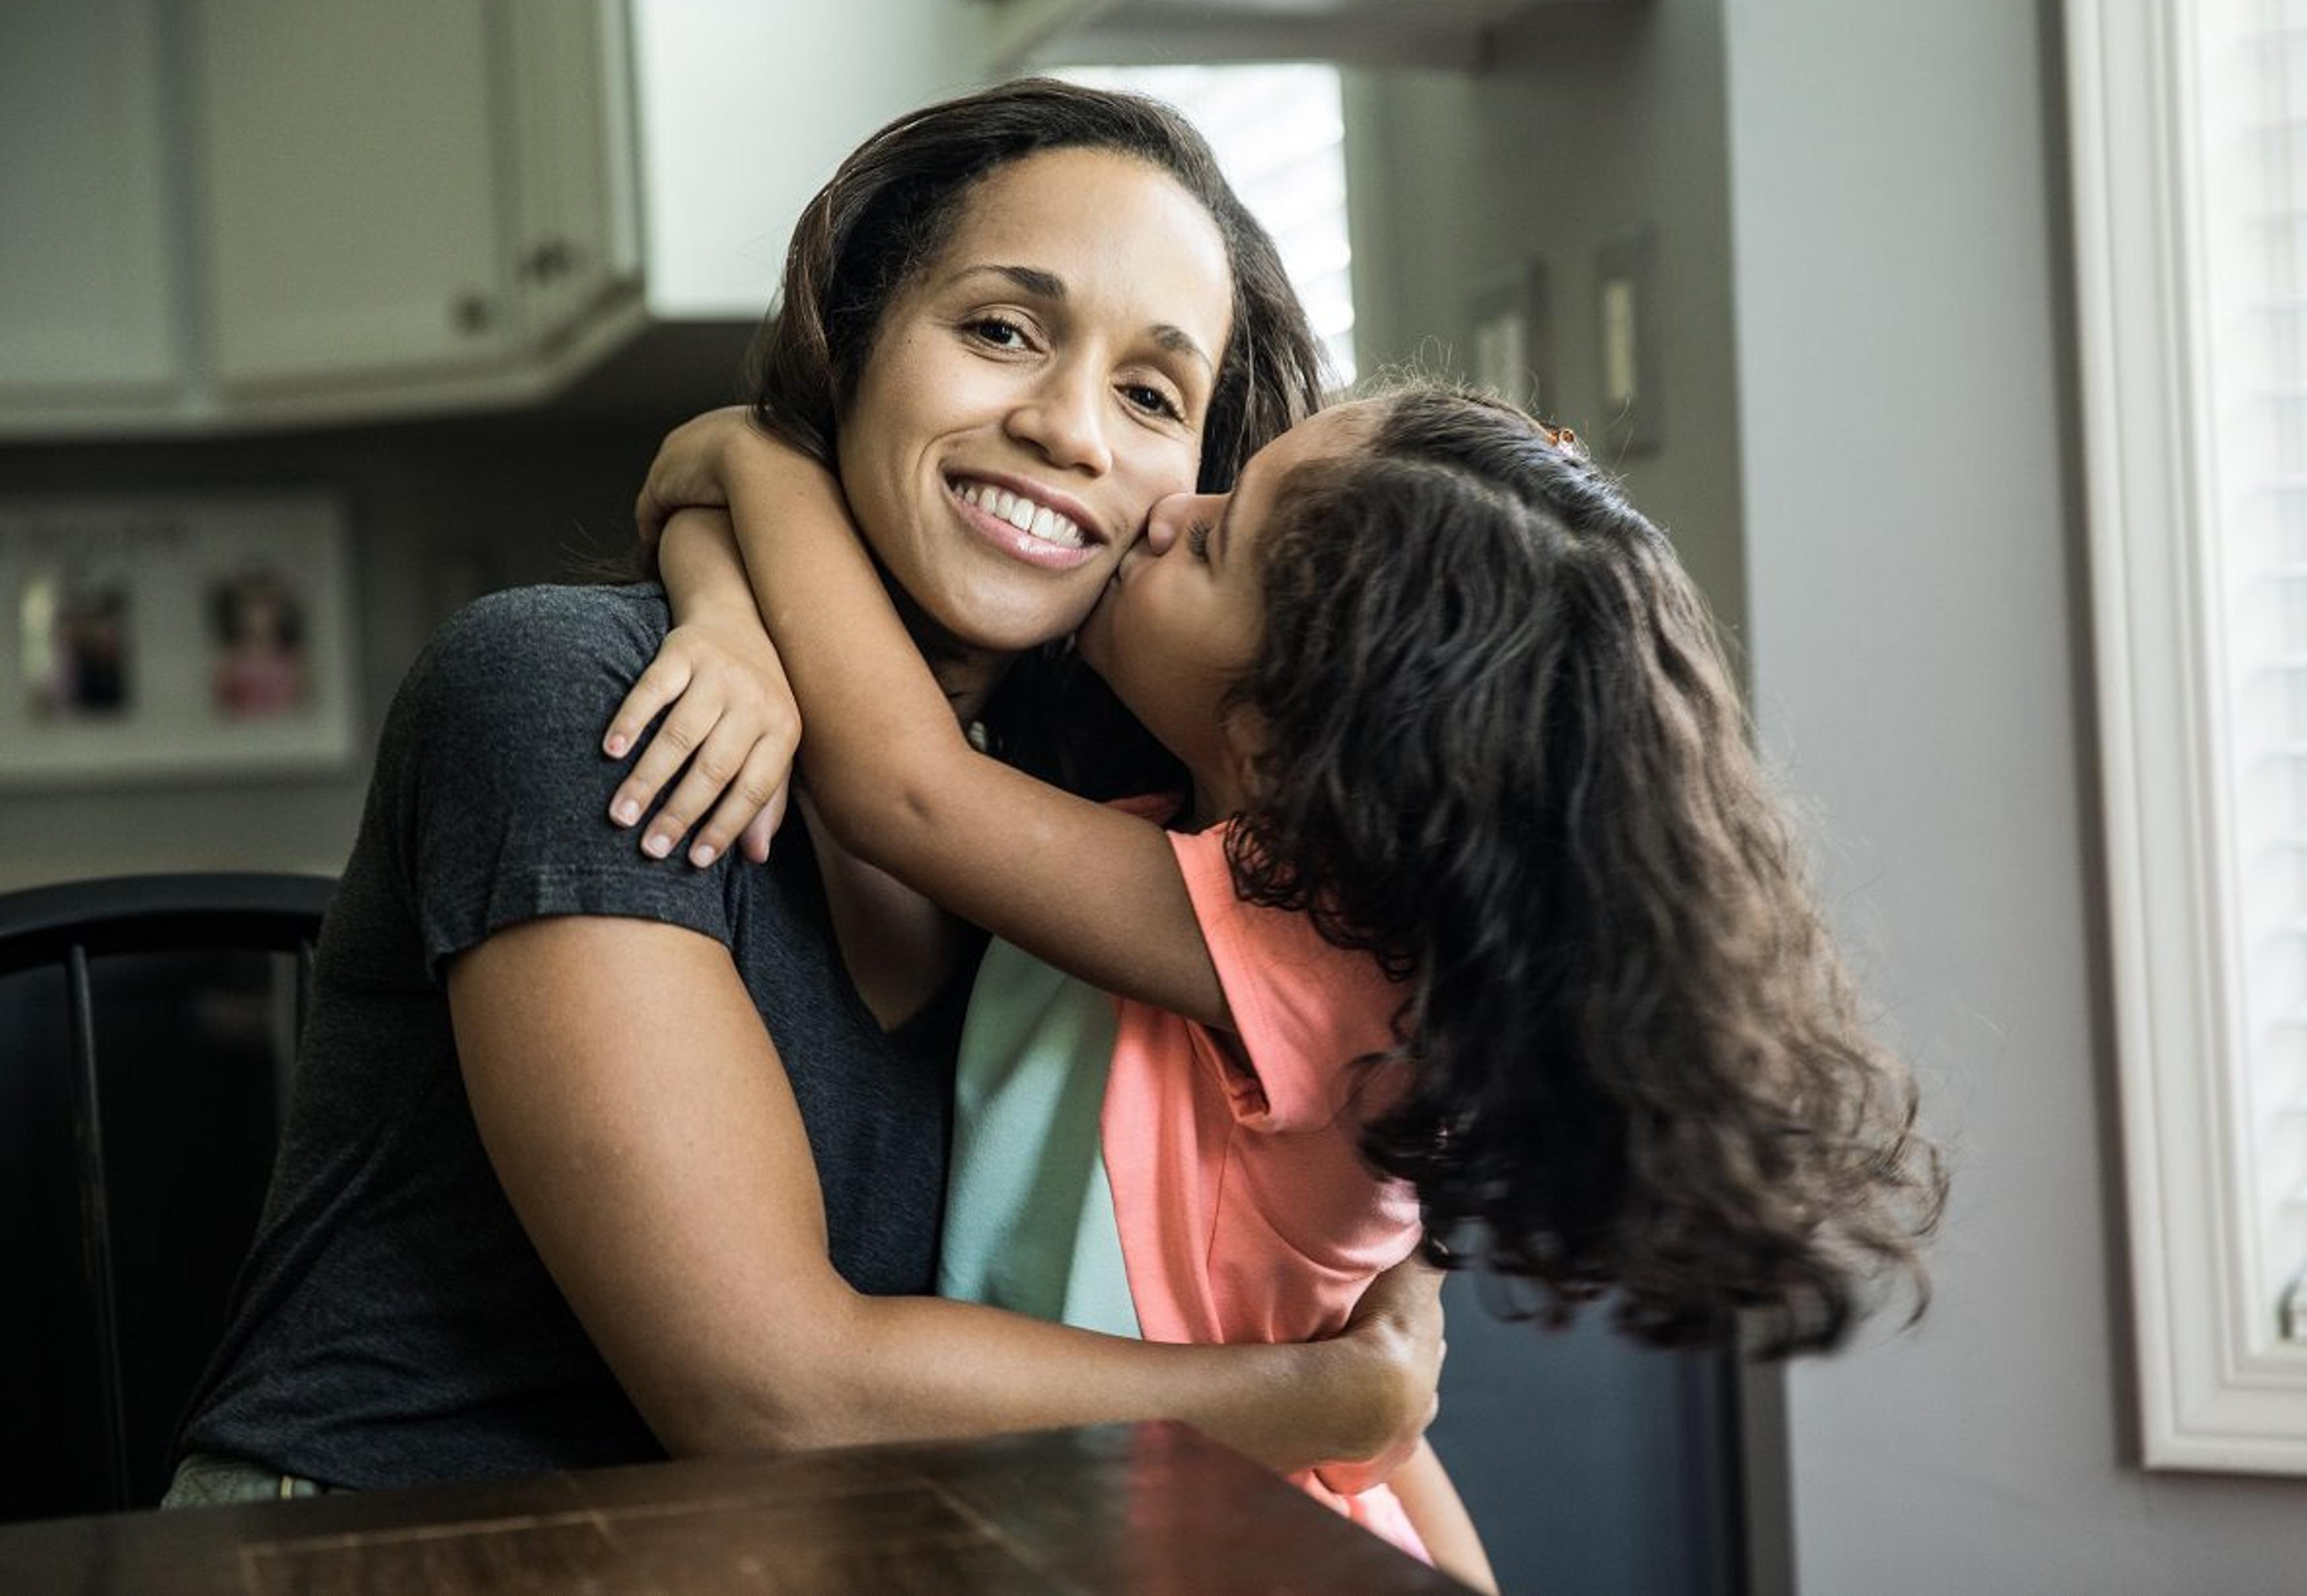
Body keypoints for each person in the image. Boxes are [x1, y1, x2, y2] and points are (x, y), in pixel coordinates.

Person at [163, 79, 1445, 1507]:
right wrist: (1304, 1405)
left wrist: (730, 494)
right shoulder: (578, 698)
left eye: (1151, 394)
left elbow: (1311, 1325)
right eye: (1000, 329)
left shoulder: (1098, 825)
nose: (1072, 429)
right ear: (855, 344)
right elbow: (766, 1395)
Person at [610, 383, 1950, 1589]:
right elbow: (1358, 1414)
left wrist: (755, 450)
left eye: (1211, 540)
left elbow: (903, 787)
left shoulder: (1300, 946)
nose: (1158, 512)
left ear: (1270, 734)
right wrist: (718, 583)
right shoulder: (1221, 882)